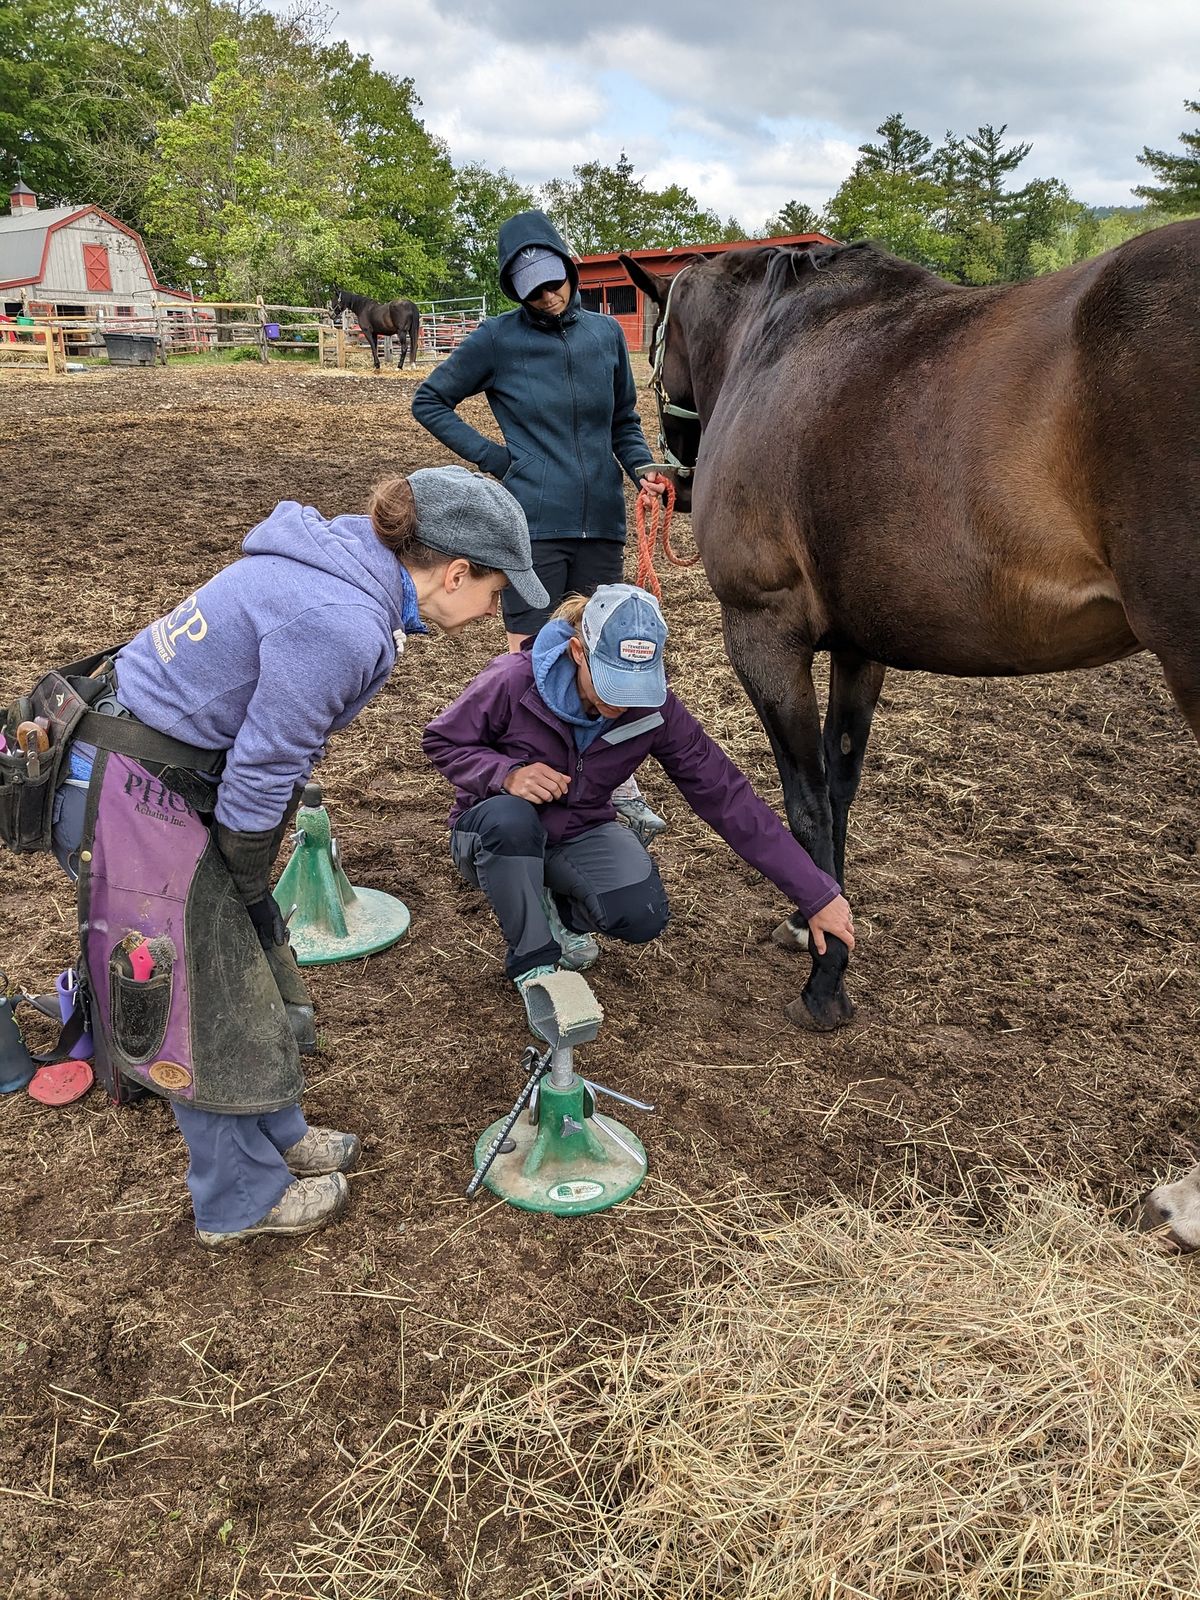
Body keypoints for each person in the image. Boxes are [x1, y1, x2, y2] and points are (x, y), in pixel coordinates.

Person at [9, 466, 546, 1246]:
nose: (497, 608)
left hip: (156, 771)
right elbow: (265, 767)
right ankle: (239, 1199)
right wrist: (249, 872)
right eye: (496, 591)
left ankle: (278, 1131)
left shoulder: (335, 562)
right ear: (454, 572)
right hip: (123, 788)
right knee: (201, 988)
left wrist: (246, 885)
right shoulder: (340, 620)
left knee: (243, 961)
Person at [421, 584, 855, 1019]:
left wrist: (815, 893)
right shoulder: (512, 680)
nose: (622, 701)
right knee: (510, 819)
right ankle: (534, 963)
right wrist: (506, 775)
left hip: (578, 831)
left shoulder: (656, 709)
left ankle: (552, 905)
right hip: (491, 831)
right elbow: (442, 741)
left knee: (642, 914)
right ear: (578, 651)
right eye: (611, 682)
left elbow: (727, 795)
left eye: (635, 685)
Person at [412, 208, 671, 846]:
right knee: (532, 654)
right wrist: (497, 460)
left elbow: (623, 423)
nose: (549, 298)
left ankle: (615, 786)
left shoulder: (606, 336)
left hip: (603, 522)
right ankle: (527, 772)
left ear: (568, 268)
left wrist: (640, 469)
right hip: (534, 525)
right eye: (533, 290)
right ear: (514, 289)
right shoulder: (497, 339)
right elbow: (430, 398)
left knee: (603, 650)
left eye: (555, 282)